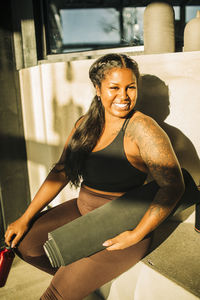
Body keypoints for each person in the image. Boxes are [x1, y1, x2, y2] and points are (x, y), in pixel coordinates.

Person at [5, 53, 186, 300]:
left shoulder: (143, 129)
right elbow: (62, 170)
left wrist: (135, 234)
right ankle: (78, 281)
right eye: (114, 88)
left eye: (130, 87)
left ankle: (72, 284)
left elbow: (173, 187)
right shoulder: (85, 125)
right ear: (97, 89)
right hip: (83, 213)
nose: (123, 96)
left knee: (53, 296)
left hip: (120, 225)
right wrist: (25, 217)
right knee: (25, 244)